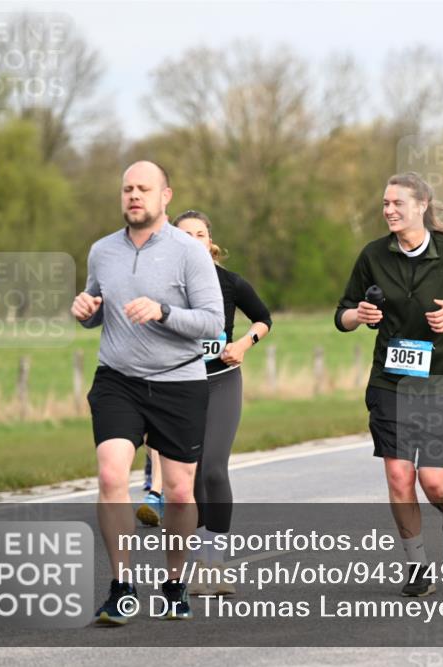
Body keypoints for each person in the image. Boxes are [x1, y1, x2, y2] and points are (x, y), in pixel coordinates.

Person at [335, 172, 443, 596]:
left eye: (398, 203)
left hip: (441, 382)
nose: (390, 210)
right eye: (385, 204)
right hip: (390, 381)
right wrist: (360, 315)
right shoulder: (373, 255)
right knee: (398, 475)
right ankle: (416, 565)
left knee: (433, 481)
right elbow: (341, 315)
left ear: (422, 204)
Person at [72, 161, 224, 624]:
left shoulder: (189, 253)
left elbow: (212, 322)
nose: (133, 196)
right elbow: (97, 305)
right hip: (118, 379)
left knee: (179, 493)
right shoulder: (102, 251)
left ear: (165, 196)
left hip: (178, 381)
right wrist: (86, 311)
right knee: (111, 475)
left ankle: (175, 584)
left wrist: (163, 312)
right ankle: (121, 586)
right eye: (127, 189)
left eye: (143, 189)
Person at [173, 210, 271, 596]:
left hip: (222, 381)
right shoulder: (164, 287)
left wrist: (244, 344)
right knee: (191, 474)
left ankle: (218, 561)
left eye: (200, 234)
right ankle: (202, 565)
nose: (194, 239)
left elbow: (263, 319)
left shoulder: (229, 282)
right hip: (180, 387)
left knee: (213, 466)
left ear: (209, 242)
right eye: (185, 234)